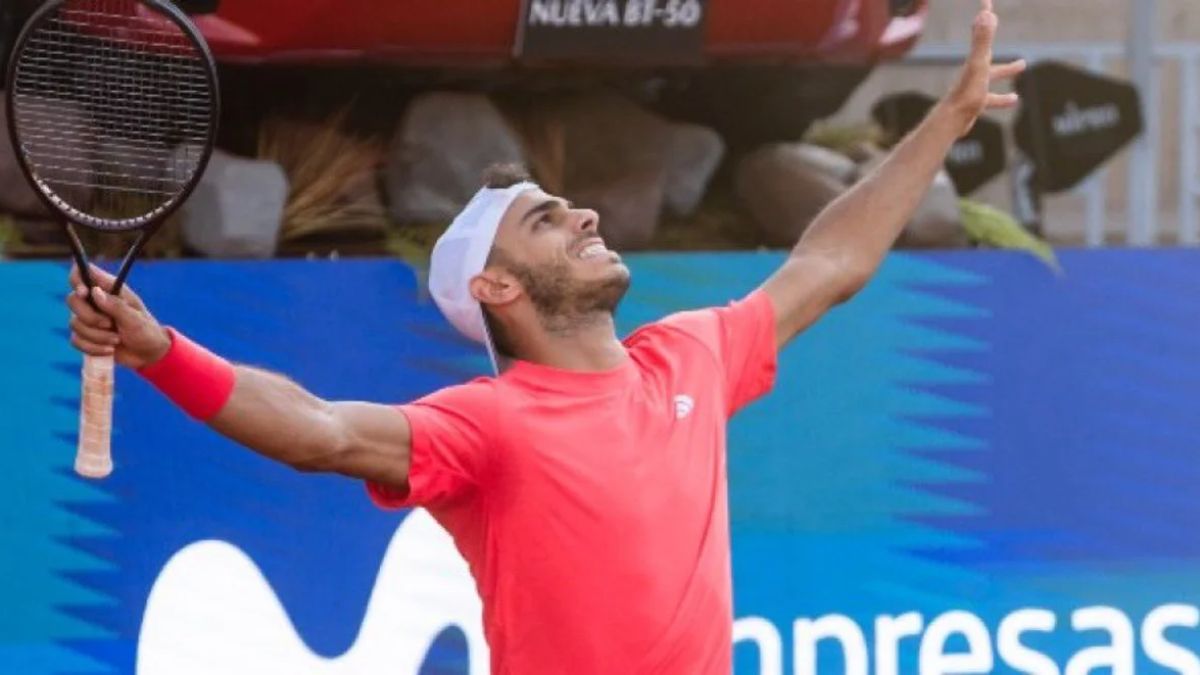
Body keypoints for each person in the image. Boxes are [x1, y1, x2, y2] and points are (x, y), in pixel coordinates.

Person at [65, 2, 1023, 672]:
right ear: (498, 285)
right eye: (548, 219)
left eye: (569, 204)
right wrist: (159, 351)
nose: (584, 216)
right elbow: (319, 429)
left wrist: (947, 117)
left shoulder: (688, 354)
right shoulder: (488, 424)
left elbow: (831, 264)